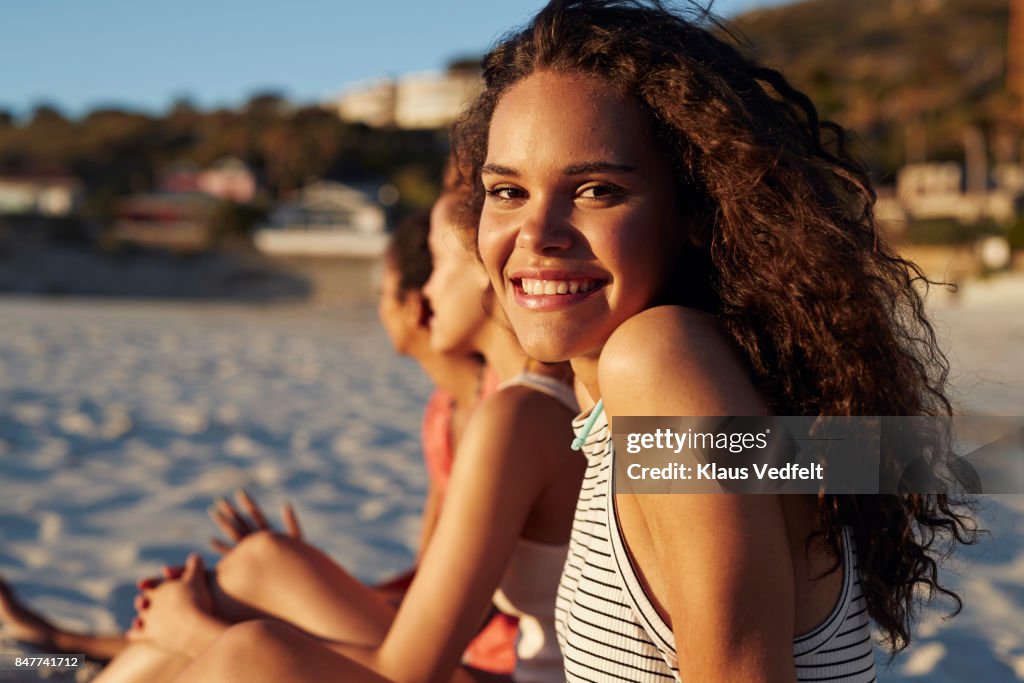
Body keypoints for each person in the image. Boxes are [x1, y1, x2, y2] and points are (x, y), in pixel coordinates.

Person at [445, 1, 978, 681]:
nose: (537, 232)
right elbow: (889, 458)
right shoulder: (705, 383)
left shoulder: (660, 363)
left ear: (695, 211)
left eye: (596, 189)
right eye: (508, 191)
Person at [96, 188, 585, 683]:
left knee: (249, 647)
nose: (427, 292)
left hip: (493, 670)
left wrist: (193, 631)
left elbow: (411, 672)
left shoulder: (524, 413)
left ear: (490, 264)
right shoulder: (534, 403)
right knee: (262, 564)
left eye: (437, 262)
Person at [0, 210, 515, 675]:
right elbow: (431, 581)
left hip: (467, 666)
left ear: (413, 306)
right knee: (255, 571)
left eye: (382, 293)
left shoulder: (506, 419)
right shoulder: (446, 412)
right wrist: (315, 574)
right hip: (440, 647)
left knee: (241, 591)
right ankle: (62, 645)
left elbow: (439, 637)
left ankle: (64, 643)